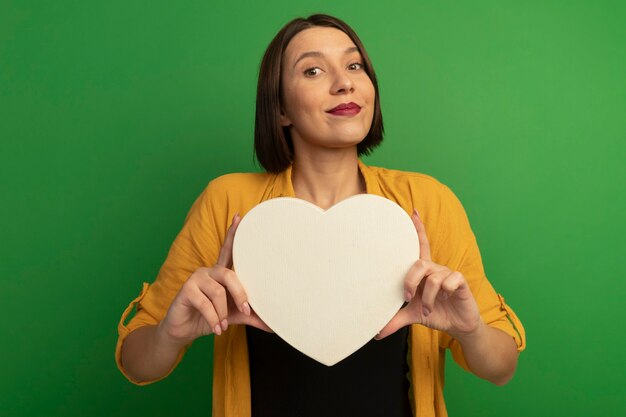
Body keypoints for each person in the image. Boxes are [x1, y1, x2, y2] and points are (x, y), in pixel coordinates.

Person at [115, 14, 526, 417]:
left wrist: (468, 330)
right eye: (312, 70)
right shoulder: (229, 202)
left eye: (354, 65)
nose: (344, 81)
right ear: (280, 110)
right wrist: (171, 334)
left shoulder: (427, 201)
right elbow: (139, 362)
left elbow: (501, 367)